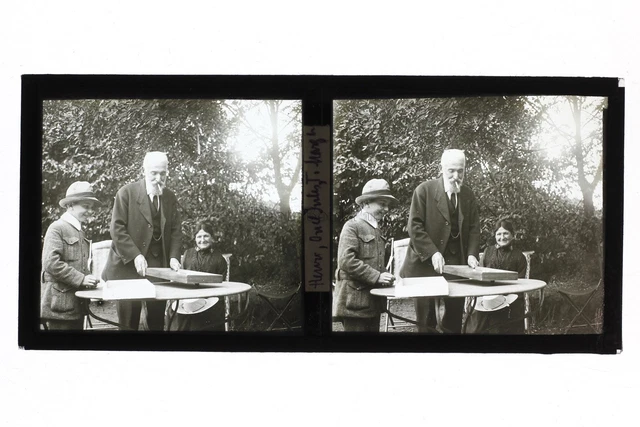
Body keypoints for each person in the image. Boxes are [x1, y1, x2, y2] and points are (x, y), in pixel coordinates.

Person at [399, 149, 480, 333]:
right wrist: (432, 252)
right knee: (426, 324)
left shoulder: (468, 195)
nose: (456, 176)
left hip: (456, 267)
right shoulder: (424, 191)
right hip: (424, 267)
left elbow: (474, 228)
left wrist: (471, 255)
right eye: (451, 170)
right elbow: (415, 227)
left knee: (453, 322)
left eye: (461, 171)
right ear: (442, 168)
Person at [102, 151, 182, 331]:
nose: (158, 178)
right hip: (127, 267)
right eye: (154, 173)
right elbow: (117, 229)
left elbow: (176, 230)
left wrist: (174, 257)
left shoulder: (169, 197)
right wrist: (135, 255)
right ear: (143, 171)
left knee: (156, 324)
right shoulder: (126, 193)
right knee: (129, 325)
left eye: (163, 173)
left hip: (158, 269)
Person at [334, 179, 397, 332]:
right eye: (382, 204)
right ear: (366, 203)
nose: (386, 208)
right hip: (354, 304)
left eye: (387, 205)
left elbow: (374, 263)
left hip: (371, 303)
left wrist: (385, 277)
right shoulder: (352, 226)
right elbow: (346, 261)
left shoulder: (376, 229)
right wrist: (377, 277)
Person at [41, 181, 102, 330]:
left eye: (91, 207)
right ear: (70, 206)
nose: (90, 211)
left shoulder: (79, 231)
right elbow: (51, 263)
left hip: (76, 306)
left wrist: (90, 279)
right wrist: (82, 279)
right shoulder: (57, 228)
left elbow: (80, 263)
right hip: (60, 308)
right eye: (86, 206)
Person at [465, 219, 528, 334]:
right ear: (495, 236)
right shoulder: (488, 252)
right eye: (499, 234)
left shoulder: (519, 257)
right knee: (476, 326)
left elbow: (520, 285)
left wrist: (505, 300)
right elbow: (480, 276)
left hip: (510, 300)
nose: (502, 237)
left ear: (513, 235)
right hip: (488, 299)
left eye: (505, 233)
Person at [165, 221, 227, 331]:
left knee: (201, 322)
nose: (202, 240)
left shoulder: (219, 259)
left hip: (210, 301)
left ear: (212, 238)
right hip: (188, 299)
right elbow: (181, 279)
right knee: (176, 313)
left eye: (206, 236)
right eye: (199, 236)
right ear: (195, 238)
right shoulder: (188, 254)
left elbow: (220, 289)